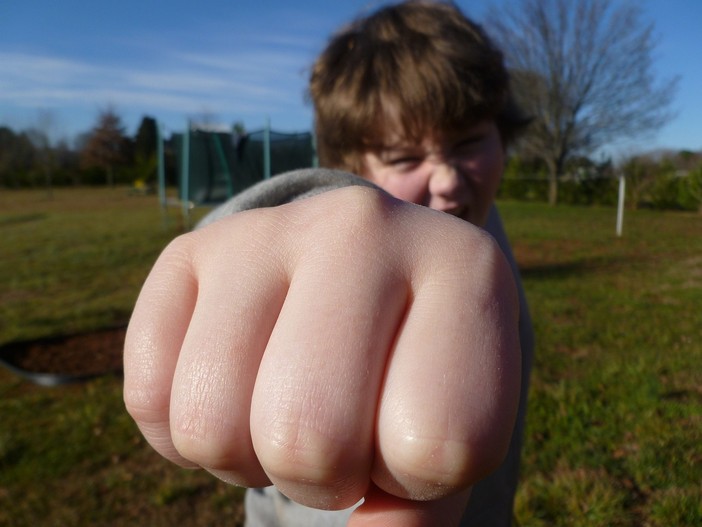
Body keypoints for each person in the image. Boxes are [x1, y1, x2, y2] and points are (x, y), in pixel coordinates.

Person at [123, 1, 533, 526]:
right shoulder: (366, 199)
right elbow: (336, 215)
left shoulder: (479, 221)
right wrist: (313, 208)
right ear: (354, 165)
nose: (449, 180)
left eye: (470, 141)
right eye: (405, 158)